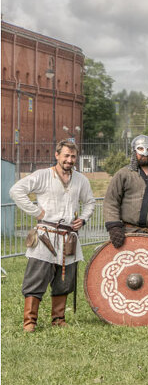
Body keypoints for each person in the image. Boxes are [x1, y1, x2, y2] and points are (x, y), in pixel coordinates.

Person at [10, 139, 95, 331]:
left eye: (73, 156)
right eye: (66, 155)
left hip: (68, 237)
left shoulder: (81, 180)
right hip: (45, 236)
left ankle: (58, 319)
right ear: (57, 155)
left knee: (64, 280)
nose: (69, 160)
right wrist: (36, 212)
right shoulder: (43, 175)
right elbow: (16, 191)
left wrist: (83, 218)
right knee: (36, 278)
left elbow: (90, 202)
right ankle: (30, 321)